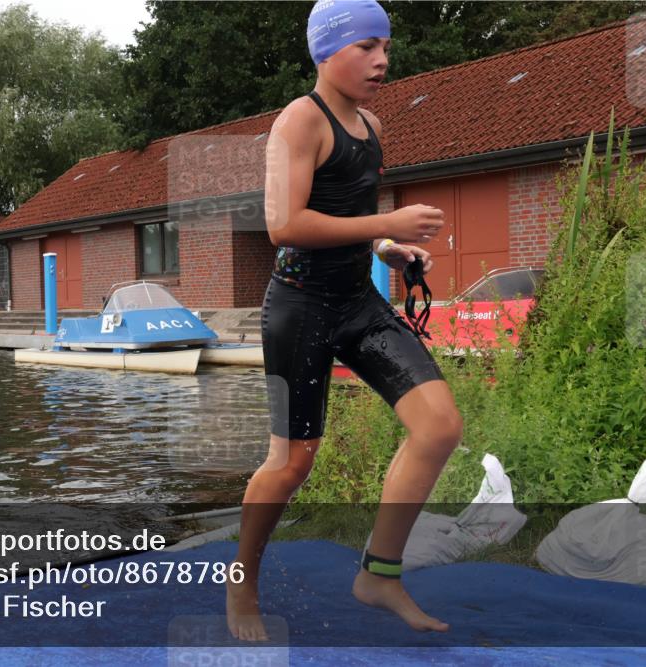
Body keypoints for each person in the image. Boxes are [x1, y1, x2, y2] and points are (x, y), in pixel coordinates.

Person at [226, 0, 463, 640]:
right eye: (365, 46)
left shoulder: (370, 123)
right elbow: (284, 225)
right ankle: (242, 581)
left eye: (385, 45)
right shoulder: (299, 121)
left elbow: (345, 216)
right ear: (326, 51)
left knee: (439, 425)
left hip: (358, 301)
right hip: (300, 308)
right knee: (293, 462)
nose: (382, 59)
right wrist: (387, 222)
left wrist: (388, 248)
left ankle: (379, 574)